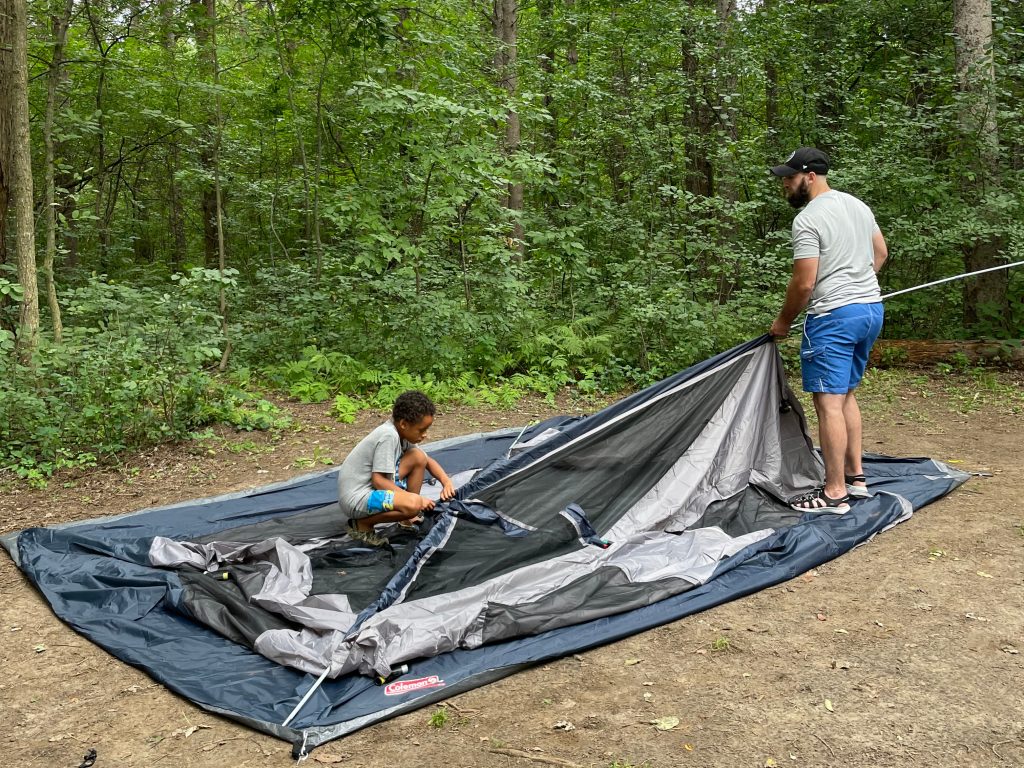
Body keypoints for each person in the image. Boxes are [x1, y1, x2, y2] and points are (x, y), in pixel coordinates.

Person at [768, 147, 888, 513]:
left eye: (790, 177)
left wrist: (783, 322)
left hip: (834, 318)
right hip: (870, 311)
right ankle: (857, 478)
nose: (785, 184)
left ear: (811, 176)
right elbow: (880, 253)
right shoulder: (857, 206)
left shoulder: (808, 220)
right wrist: (857, 286)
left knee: (828, 403)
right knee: (846, 394)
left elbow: (804, 283)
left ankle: (834, 492)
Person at [337, 390, 455, 546]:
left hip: (370, 488)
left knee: (418, 456)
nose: (425, 434)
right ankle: (362, 525)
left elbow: (425, 460)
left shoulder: (400, 432)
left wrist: (446, 481)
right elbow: (379, 481)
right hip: (356, 498)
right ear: (404, 424)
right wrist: (416, 500)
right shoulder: (389, 436)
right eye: (421, 430)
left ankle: (407, 517)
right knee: (413, 505)